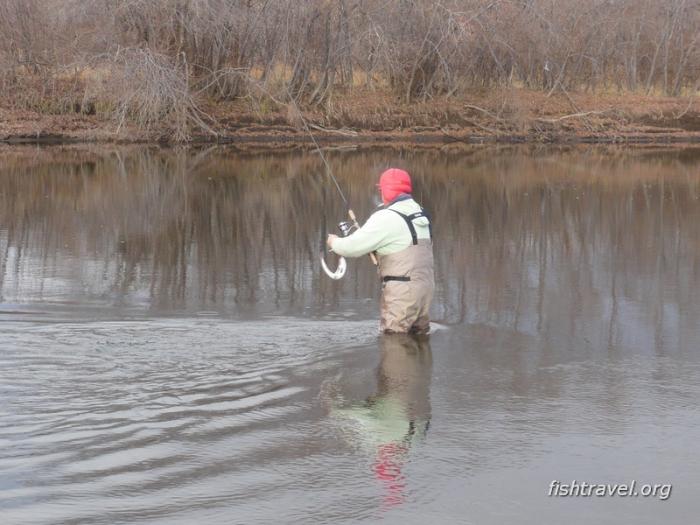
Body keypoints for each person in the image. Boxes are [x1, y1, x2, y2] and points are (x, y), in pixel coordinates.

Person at [327, 168, 434, 334]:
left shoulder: (386, 217)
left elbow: (350, 248)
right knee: (419, 339)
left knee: (394, 343)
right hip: (425, 290)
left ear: (386, 190)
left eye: (381, 190)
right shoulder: (419, 211)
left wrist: (334, 242)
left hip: (402, 294)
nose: (380, 194)